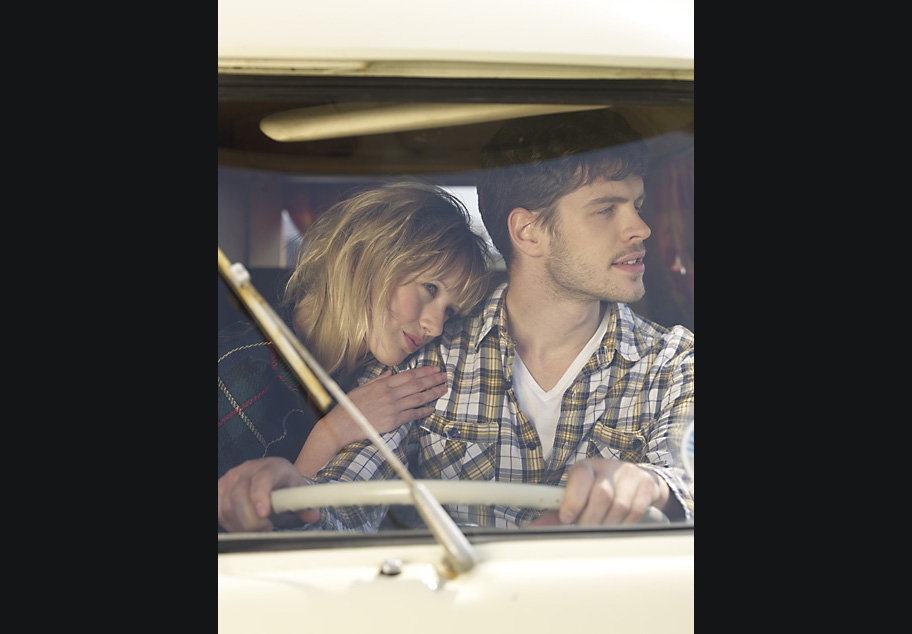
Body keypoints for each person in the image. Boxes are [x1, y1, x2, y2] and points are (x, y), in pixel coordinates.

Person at [218, 109, 694, 533]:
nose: (641, 228)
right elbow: (344, 504)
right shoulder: (423, 360)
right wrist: (290, 503)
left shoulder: (676, 362)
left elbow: (686, 474)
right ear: (528, 232)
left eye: (637, 205)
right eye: (607, 209)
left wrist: (650, 487)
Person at [218, 181, 492, 487]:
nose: (436, 327)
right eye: (430, 288)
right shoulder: (237, 367)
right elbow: (237, 529)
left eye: (449, 311)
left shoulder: (381, 373)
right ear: (368, 258)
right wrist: (332, 433)